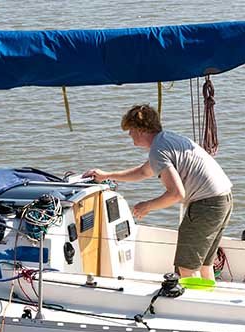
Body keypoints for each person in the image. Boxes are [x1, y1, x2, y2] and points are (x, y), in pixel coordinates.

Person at [84, 104, 232, 281]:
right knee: (204, 264)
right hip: (224, 199)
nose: (129, 135)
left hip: (206, 205)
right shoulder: (167, 140)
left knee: (186, 268)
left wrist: (147, 206)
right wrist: (107, 175)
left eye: (130, 130)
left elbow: (177, 194)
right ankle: (210, 302)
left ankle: (193, 306)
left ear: (139, 129)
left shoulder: (158, 150)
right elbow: (143, 172)